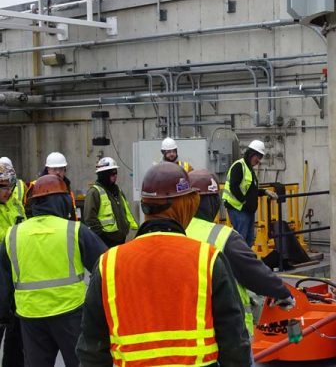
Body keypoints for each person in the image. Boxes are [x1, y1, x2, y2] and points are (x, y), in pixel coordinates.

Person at [76, 162, 252, 367]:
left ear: (144, 205)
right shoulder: (208, 258)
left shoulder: (108, 264)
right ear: (185, 205)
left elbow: (92, 350)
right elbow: (234, 343)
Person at [0, 175, 107, 367]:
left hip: (30, 317)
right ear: (63, 201)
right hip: (70, 313)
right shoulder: (75, 230)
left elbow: (3, 282)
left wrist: (5, 315)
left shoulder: (13, 234)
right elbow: (106, 267)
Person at [187, 169, 294, 336]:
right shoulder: (223, 237)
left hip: (185, 330)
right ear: (213, 202)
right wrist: (282, 292)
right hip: (227, 331)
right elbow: (253, 272)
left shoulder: (174, 231)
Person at [222, 140, 278, 247]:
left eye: (260, 157)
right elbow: (233, 187)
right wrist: (244, 202)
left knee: (249, 241)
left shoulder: (249, 169)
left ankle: (246, 262)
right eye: (257, 156)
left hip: (247, 210)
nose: (258, 160)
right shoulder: (239, 166)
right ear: (251, 154)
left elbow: (251, 190)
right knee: (241, 241)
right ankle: (240, 263)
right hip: (238, 210)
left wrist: (265, 191)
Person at [83, 157, 138, 248]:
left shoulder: (117, 190)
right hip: (105, 241)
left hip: (120, 239)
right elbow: (90, 218)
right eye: (112, 173)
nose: (115, 175)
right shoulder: (94, 192)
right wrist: (101, 236)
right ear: (104, 174)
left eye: (116, 173)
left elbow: (124, 212)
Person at [0, 163, 24, 367]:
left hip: (16, 277)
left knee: (16, 334)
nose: (8, 192)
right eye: (3, 187)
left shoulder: (16, 205)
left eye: (10, 187)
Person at [25, 152, 78, 221]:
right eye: (54, 169)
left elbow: (71, 213)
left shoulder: (66, 188)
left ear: (65, 170)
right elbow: (29, 212)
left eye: (61, 169)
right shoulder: (36, 187)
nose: (58, 172)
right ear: (48, 169)